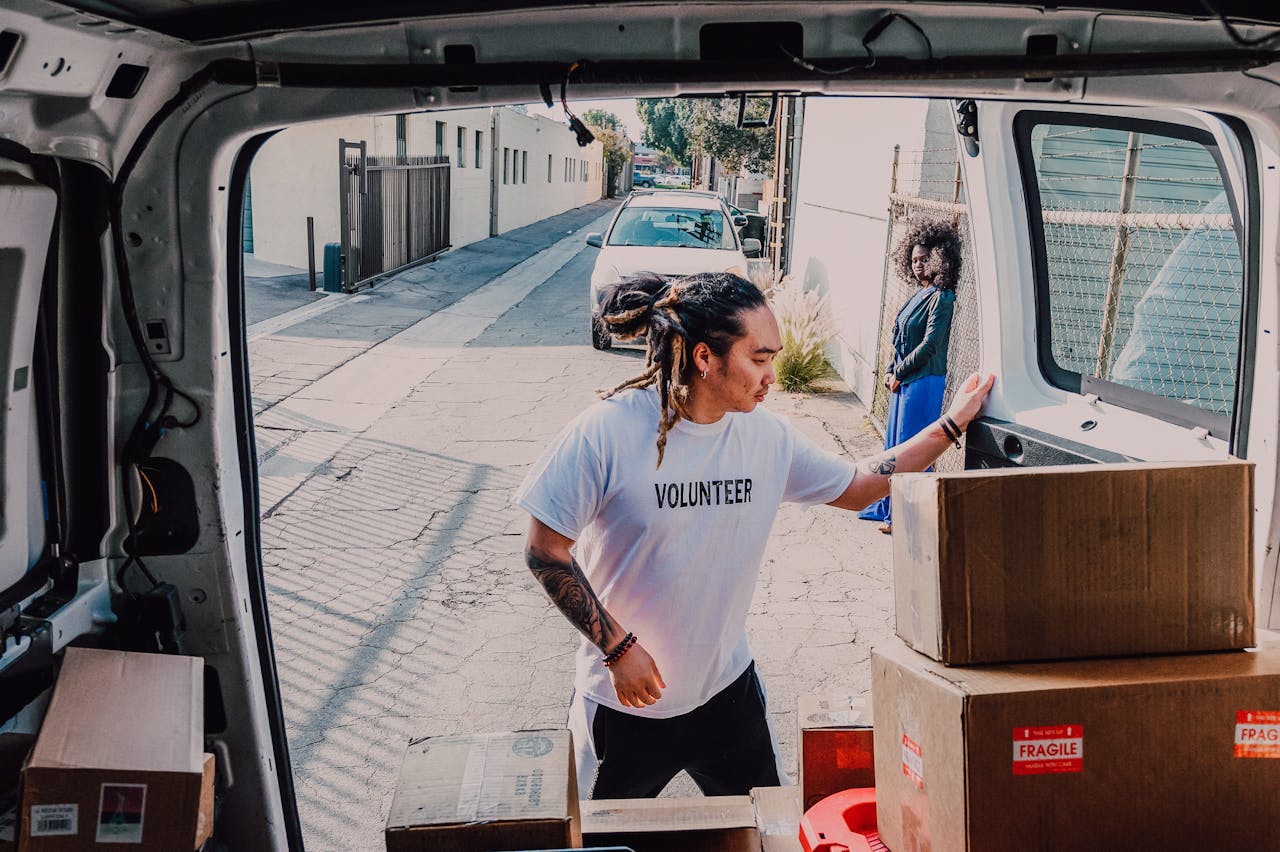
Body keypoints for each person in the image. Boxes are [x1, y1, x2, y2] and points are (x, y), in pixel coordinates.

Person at [517, 271, 993, 799]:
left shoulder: (767, 436)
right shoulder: (605, 432)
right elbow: (545, 550)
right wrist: (617, 648)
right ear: (705, 357)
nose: (772, 374)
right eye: (759, 358)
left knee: (765, 831)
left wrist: (951, 424)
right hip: (622, 700)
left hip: (726, 692)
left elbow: (860, 486)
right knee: (601, 842)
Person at [858, 220, 962, 534]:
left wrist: (899, 373)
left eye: (924, 259)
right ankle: (891, 510)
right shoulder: (919, 294)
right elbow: (900, 340)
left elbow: (930, 345)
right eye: (914, 260)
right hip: (903, 380)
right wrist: (891, 370)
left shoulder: (942, 297)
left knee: (913, 451)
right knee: (895, 448)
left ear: (940, 259)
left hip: (924, 381)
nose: (918, 265)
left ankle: (909, 518)